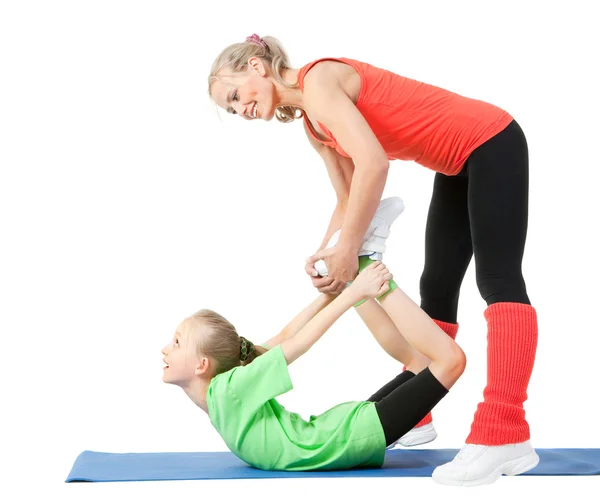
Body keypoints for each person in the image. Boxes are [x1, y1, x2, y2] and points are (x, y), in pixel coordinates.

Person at [207, 34, 540, 485]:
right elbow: (349, 201)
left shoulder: (320, 78)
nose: (239, 109)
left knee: (498, 280)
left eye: (234, 94)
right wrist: (328, 253)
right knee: (436, 286)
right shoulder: (313, 125)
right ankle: (418, 413)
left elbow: (374, 164)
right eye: (231, 109)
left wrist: (349, 252)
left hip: (490, 141)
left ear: (256, 66)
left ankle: (505, 431)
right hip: (456, 164)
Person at [162, 260, 466, 472]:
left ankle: (369, 269)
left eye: (176, 342)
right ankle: (361, 269)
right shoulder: (229, 388)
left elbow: (294, 341)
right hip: (346, 434)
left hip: (350, 436)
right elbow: (286, 338)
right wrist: (346, 291)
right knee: (421, 362)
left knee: (450, 361)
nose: (165, 349)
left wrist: (346, 293)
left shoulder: (227, 391)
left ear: (203, 364)